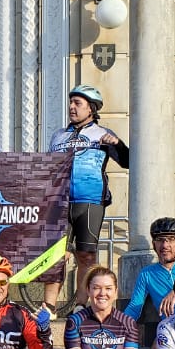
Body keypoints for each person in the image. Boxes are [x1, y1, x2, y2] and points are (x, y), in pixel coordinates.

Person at [44, 85, 130, 311]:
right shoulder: (58, 136)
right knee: (56, 256)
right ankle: (48, 306)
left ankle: (81, 305)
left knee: (86, 255)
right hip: (60, 202)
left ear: (91, 108)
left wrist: (118, 144)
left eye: (77, 103)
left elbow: (128, 161)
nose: (71, 107)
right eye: (70, 102)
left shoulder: (102, 133)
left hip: (90, 201)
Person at [124, 217, 175, 344]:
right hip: (172, 328)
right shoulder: (147, 274)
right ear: (154, 244)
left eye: (171, 239)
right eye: (160, 240)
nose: (165, 245)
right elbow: (135, 306)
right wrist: (119, 325)